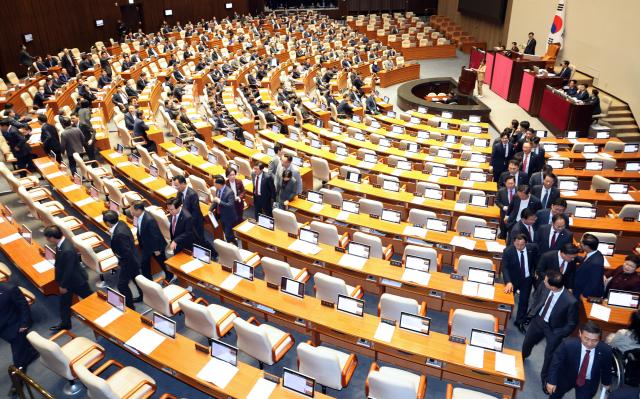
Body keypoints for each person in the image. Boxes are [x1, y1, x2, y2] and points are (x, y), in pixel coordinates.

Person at [522, 270, 579, 386]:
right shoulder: (544, 285)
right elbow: (537, 296)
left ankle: (545, 379)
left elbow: (572, 323)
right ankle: (522, 357)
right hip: (538, 320)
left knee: (550, 356)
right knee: (527, 342)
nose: (543, 281)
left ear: (553, 287)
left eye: (546, 281)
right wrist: (533, 311)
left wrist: (559, 333)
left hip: (554, 330)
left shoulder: (571, 301)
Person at [44, 225, 93, 331]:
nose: (47, 240)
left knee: (90, 298)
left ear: (52, 237)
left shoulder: (67, 249)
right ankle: (65, 323)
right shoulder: (61, 244)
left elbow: (68, 270)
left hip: (76, 281)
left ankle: (104, 311)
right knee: (64, 303)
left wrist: (63, 285)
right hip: (69, 280)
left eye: (48, 238)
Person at [546, 321, 612, 398]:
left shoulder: (605, 350)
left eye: (595, 340)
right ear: (580, 334)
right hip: (566, 377)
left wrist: (606, 382)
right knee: (555, 396)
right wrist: (551, 381)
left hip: (588, 381)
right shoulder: (568, 345)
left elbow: (606, 368)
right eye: (586, 339)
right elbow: (555, 363)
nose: (590, 344)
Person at [103, 211, 141, 309]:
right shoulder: (121, 223)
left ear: (107, 222)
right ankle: (142, 296)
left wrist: (122, 262)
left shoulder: (119, 234)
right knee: (136, 279)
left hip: (128, 262)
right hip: (132, 258)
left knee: (122, 285)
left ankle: (130, 307)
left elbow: (126, 252)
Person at [502, 233, 538, 333]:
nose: (519, 247)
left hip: (527, 279)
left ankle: (519, 322)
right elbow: (504, 268)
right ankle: (505, 316)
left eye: (522, 245)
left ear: (526, 243)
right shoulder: (508, 251)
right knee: (508, 299)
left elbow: (536, 260)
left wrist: (536, 270)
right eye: (517, 244)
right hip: (513, 280)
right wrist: (508, 282)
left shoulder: (532, 248)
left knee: (524, 301)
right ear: (514, 242)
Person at [130, 201, 173, 283]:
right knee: (144, 264)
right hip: (146, 244)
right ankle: (149, 281)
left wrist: (157, 250)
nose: (131, 213)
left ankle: (170, 275)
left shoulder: (149, 220)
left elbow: (155, 235)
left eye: (132, 211)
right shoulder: (140, 216)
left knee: (162, 262)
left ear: (139, 210)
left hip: (155, 246)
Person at [0, 281, 39, 371]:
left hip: (16, 326)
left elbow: (23, 306)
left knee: (18, 355)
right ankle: (32, 353)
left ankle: (18, 377)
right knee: (22, 343)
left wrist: (24, 324)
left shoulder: (9, 289)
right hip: (3, 330)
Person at [172, 174, 204, 246]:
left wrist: (189, 224)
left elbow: (196, 212)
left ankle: (213, 254)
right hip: (187, 220)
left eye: (177, 185)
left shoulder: (192, 194)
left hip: (196, 222)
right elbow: (178, 205)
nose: (176, 187)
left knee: (200, 240)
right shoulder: (179, 193)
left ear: (183, 184)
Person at [574, 233, 605, 299]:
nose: (580, 244)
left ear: (587, 247)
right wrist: (575, 257)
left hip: (584, 292)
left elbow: (593, 283)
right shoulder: (595, 253)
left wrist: (584, 295)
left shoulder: (596, 264)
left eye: (581, 243)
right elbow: (586, 262)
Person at [209, 176, 237, 243]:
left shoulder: (229, 192)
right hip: (221, 216)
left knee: (228, 235)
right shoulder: (218, 189)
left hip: (228, 217)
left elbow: (230, 205)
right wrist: (210, 209)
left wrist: (219, 202)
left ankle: (235, 247)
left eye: (214, 183)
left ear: (219, 184)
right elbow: (216, 200)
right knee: (226, 233)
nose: (213, 184)